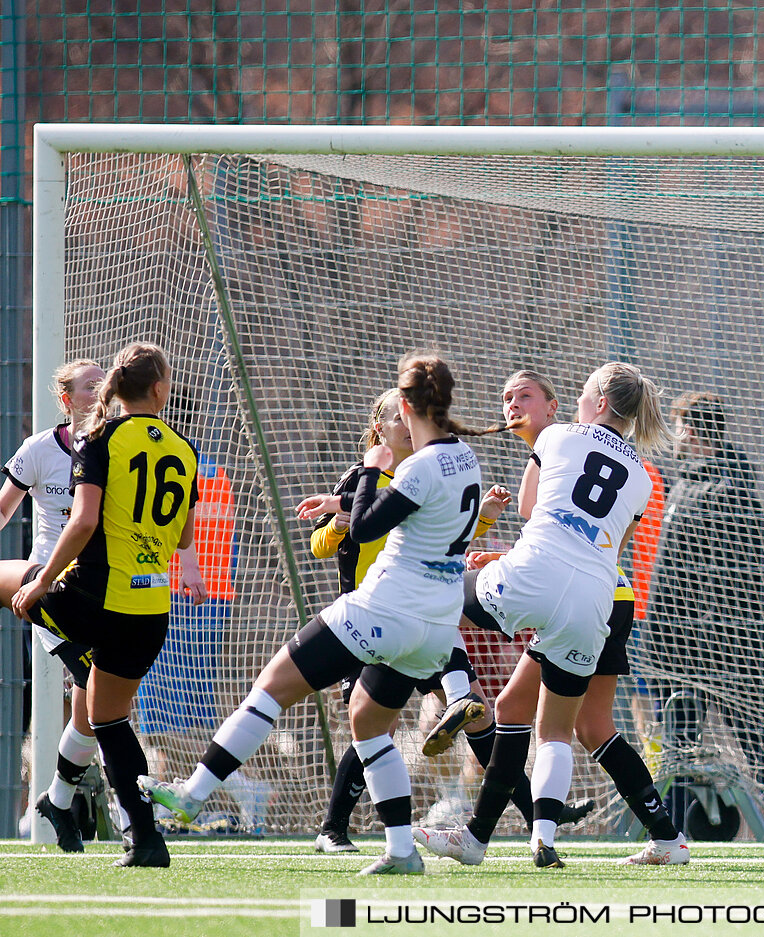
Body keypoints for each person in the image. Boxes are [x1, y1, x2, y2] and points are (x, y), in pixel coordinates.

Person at [140, 352, 495, 875]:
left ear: (405, 403)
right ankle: (401, 850)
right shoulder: (464, 456)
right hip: (436, 626)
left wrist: (372, 472)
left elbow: (370, 526)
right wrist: (348, 501)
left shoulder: (417, 466)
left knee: (272, 686)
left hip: (385, 608)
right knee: (369, 724)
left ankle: (193, 794)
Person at [415, 362, 689, 869]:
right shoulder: (644, 479)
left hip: (538, 579)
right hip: (597, 601)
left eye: (583, 392)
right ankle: (525, 839)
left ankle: (456, 696)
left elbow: (527, 508)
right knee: (548, 722)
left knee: (432, 588)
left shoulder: (559, 436)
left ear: (599, 403)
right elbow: (607, 550)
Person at [4, 343, 202, 867]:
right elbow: (183, 538)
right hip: (149, 611)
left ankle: (66, 802)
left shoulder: (100, 438)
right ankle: (144, 839)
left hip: (91, 595)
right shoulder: (183, 449)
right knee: (107, 718)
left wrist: (43, 580)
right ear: (160, 390)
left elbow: (85, 520)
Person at [300, 386, 516, 853]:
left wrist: (485, 519)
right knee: (377, 724)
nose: (410, 424)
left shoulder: (430, 472)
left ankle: (529, 809)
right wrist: (338, 523)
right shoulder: (361, 478)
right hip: (369, 621)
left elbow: (441, 538)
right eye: (399, 418)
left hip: (420, 617)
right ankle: (333, 827)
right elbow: (320, 545)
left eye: (412, 415)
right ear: (381, 428)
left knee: (472, 710)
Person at [640, 390, 764, 832]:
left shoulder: (726, 489)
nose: (676, 437)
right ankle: (672, 831)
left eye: (680, 426)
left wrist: (715, 637)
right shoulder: (686, 483)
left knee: (751, 730)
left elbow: (735, 578)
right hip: (683, 643)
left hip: (722, 644)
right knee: (680, 740)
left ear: (693, 429)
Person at [1, 359, 109, 852]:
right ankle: (133, 817)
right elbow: (4, 508)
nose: (100, 388)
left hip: (105, 588)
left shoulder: (116, 444)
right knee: (96, 686)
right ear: (67, 399)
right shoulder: (40, 449)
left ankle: (59, 796)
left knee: (94, 703)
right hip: (50, 587)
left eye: (103, 381)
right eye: (90, 385)